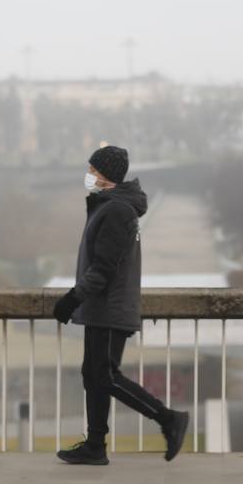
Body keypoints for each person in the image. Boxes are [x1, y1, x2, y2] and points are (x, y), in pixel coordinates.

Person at [52, 144, 190, 465]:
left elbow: (103, 268)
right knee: (93, 374)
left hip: (110, 309)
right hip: (101, 309)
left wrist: (72, 299)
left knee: (105, 375)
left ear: (107, 176)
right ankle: (95, 445)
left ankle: (168, 418)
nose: (88, 176)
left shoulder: (116, 210)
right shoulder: (109, 206)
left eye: (93, 171)